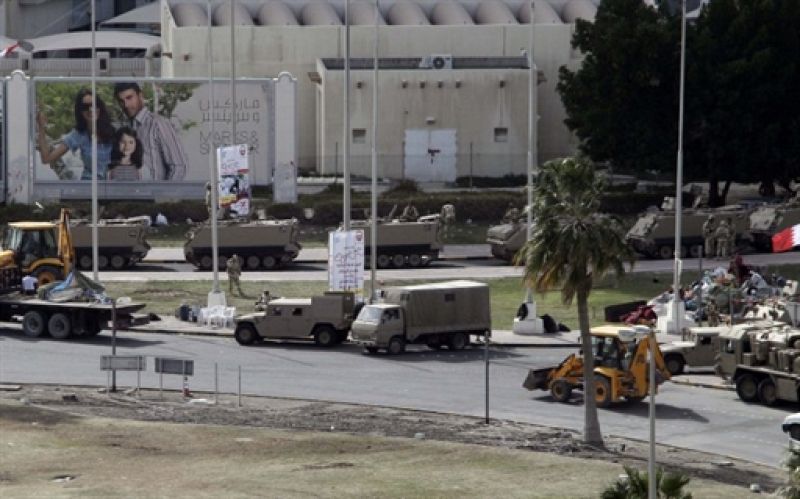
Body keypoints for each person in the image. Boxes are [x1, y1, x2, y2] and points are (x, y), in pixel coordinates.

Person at [114, 82, 188, 181]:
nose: (126, 105)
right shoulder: (123, 128)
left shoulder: (158, 124)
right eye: (121, 101)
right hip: (129, 193)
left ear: (140, 96)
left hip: (154, 193)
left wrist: (163, 194)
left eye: (129, 98)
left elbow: (179, 166)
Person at [37, 88, 115, 180]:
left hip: (112, 187)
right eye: (85, 107)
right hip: (88, 186)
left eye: (94, 105)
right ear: (80, 111)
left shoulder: (113, 130)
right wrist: (41, 127)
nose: (90, 109)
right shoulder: (79, 134)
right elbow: (47, 159)